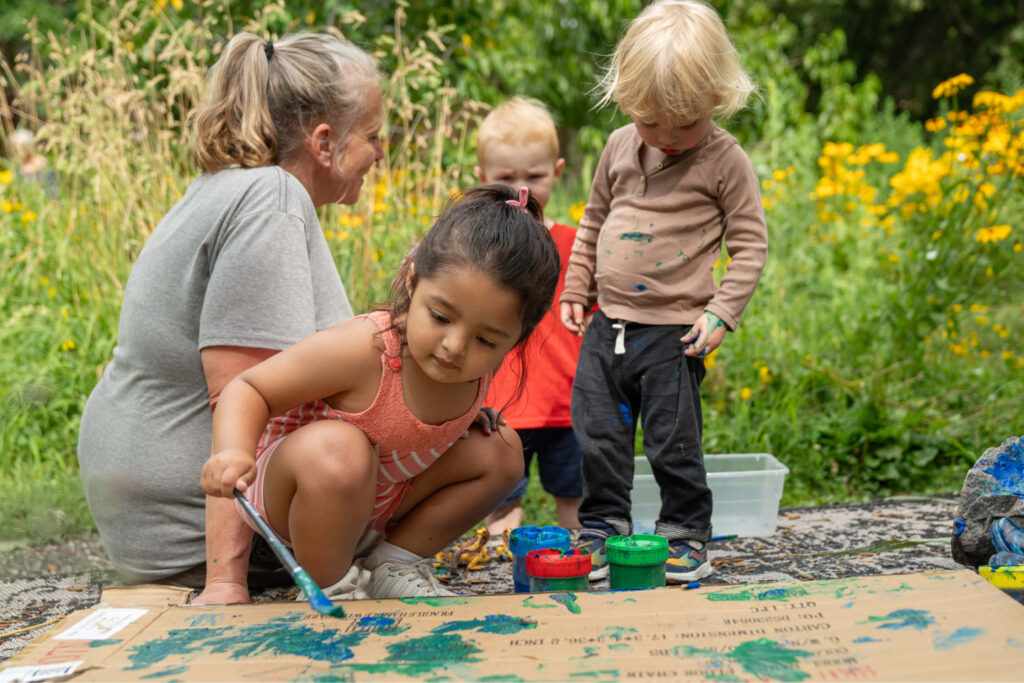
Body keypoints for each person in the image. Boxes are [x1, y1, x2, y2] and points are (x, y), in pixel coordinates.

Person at [77, 32, 384, 604]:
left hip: (154, 521)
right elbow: (243, 400)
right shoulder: (271, 200)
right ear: (324, 142)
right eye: (372, 136)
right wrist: (227, 583)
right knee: (462, 460)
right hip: (189, 536)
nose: (381, 153)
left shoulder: (229, 188)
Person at [201, 185, 561, 599]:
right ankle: (330, 586)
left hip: (378, 503)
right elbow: (248, 388)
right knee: (339, 450)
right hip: (297, 500)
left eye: (486, 340)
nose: (455, 346)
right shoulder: (365, 349)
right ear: (412, 282)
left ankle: (392, 564)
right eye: (441, 317)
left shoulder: (472, 368)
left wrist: (467, 419)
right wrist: (232, 450)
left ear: (516, 338)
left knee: (502, 449)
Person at [559, 0, 768, 584]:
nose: (669, 138)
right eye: (652, 122)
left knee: (673, 441)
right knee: (597, 435)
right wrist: (577, 285)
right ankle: (602, 527)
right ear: (625, 99)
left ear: (718, 100)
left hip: (673, 336)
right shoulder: (619, 147)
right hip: (608, 328)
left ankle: (684, 533)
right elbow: (594, 221)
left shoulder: (725, 161)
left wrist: (722, 313)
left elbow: (750, 246)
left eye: (687, 122)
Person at [473, 97, 585, 534]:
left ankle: (579, 569)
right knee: (499, 507)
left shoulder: (578, 244)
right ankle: (502, 582)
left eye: (534, 176)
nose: (521, 188)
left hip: (568, 405)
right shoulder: (477, 251)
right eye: (505, 178)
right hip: (501, 408)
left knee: (577, 504)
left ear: (557, 172)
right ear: (482, 179)